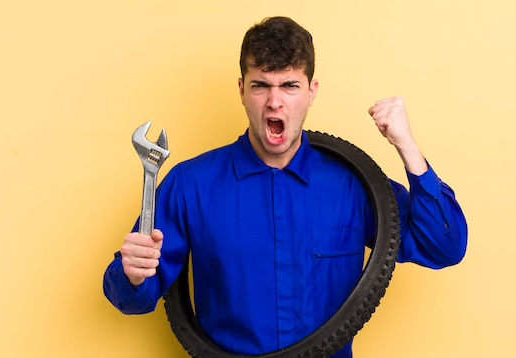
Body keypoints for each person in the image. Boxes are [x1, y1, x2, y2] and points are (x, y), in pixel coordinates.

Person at [103, 16, 467, 358]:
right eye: (261, 85)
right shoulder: (189, 185)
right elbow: (131, 298)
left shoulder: (355, 185)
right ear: (243, 90)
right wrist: (133, 275)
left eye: (289, 85)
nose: (274, 101)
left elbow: (443, 247)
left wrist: (408, 148)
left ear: (311, 91)